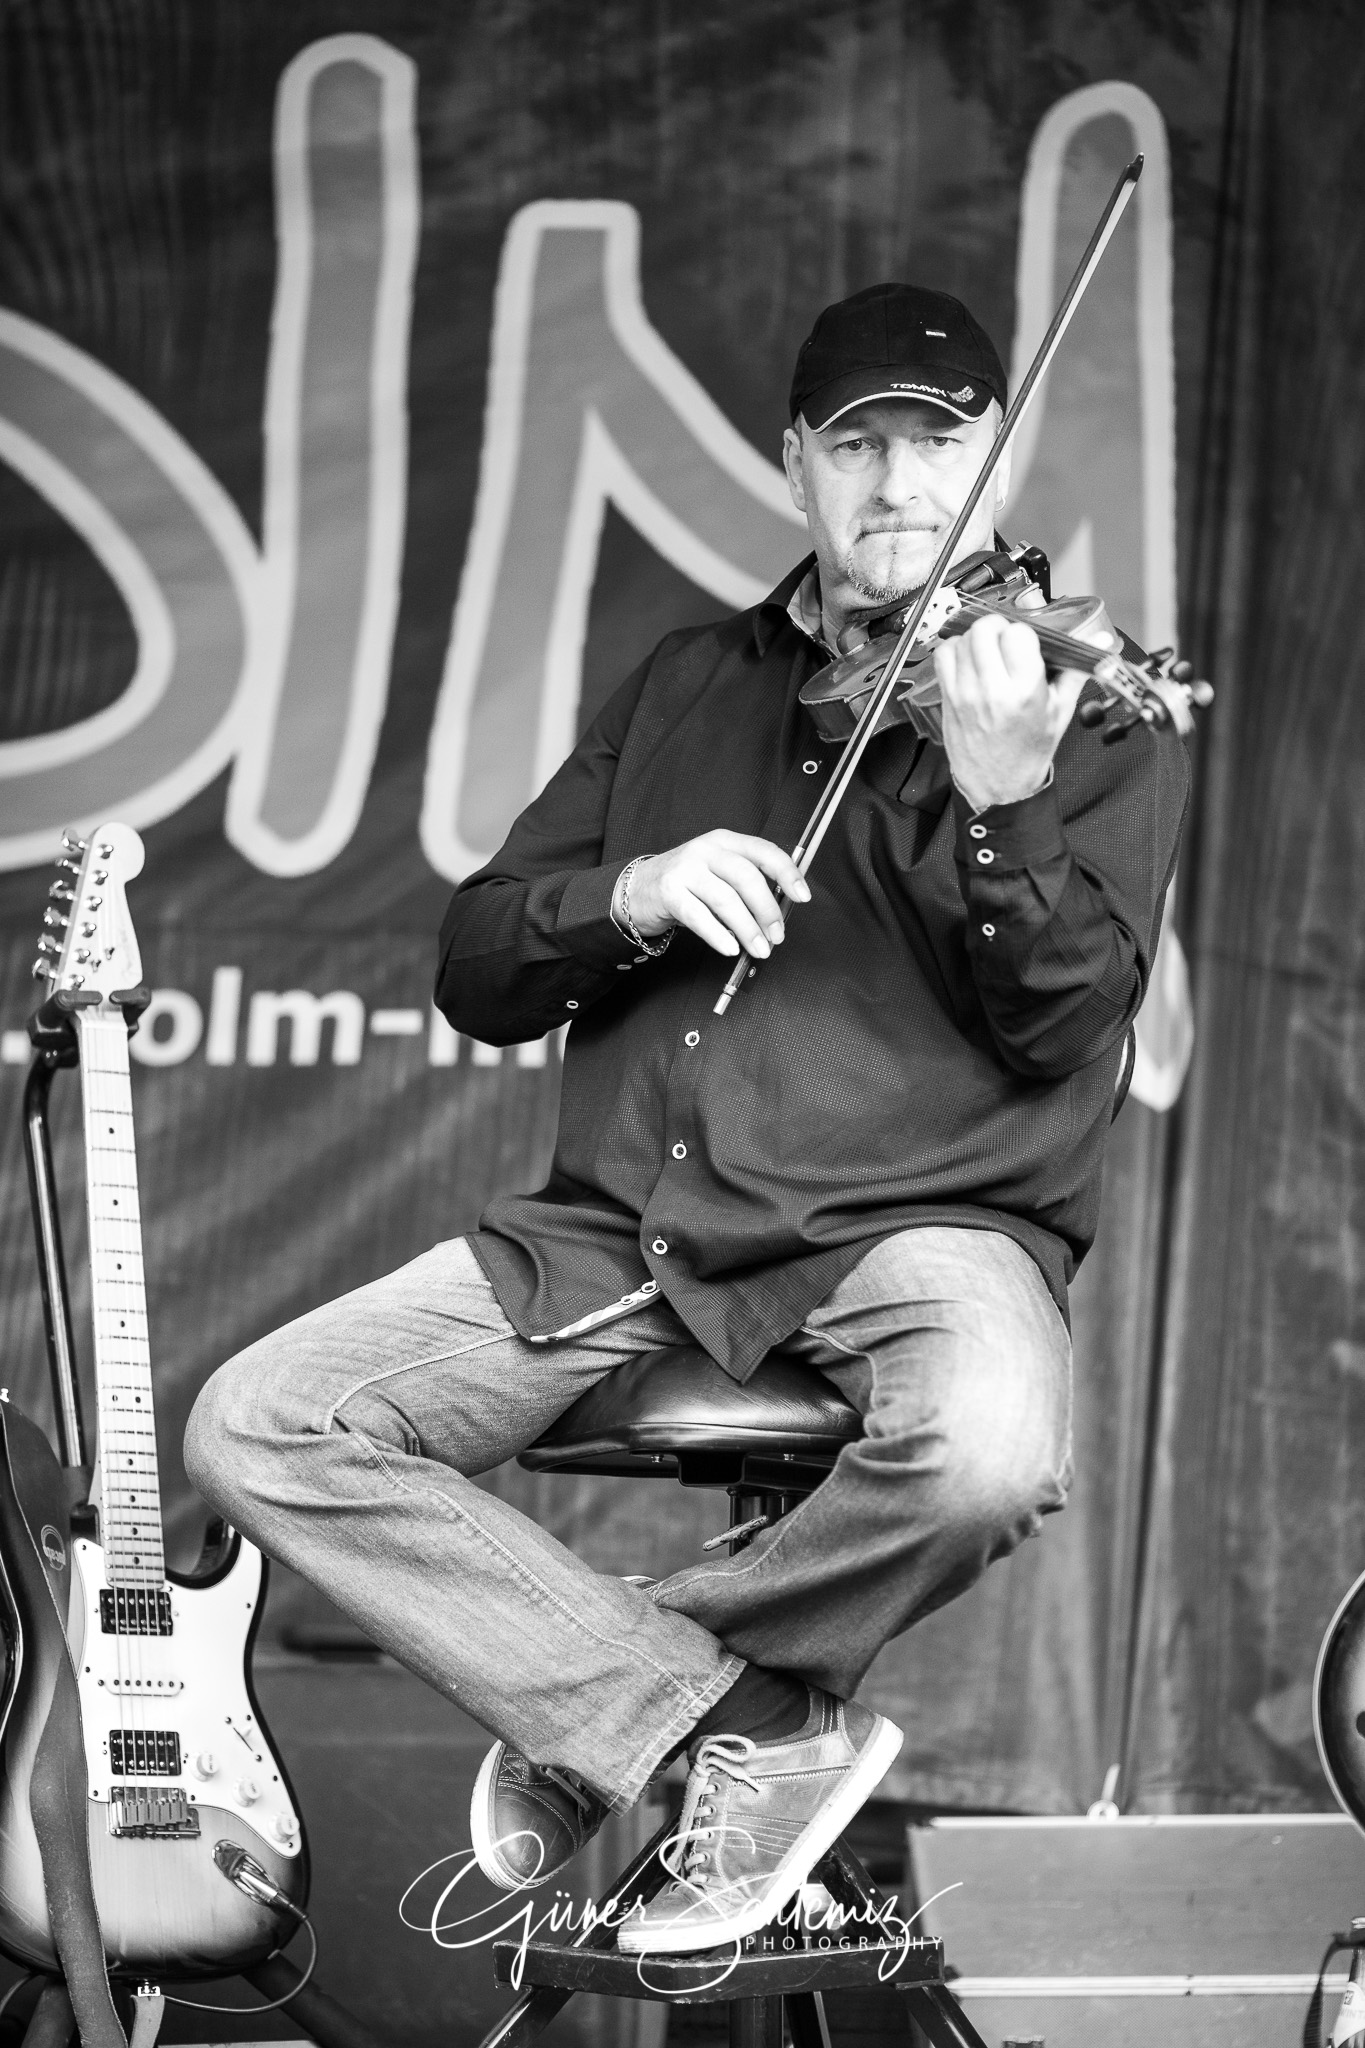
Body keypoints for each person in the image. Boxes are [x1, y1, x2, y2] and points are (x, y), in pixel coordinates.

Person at [185, 282, 1189, 1955]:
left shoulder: (1082, 708)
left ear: (993, 464)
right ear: (793, 461)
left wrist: (1003, 810)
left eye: (932, 448)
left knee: (993, 1449)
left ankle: (625, 1696)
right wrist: (631, 893)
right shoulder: (686, 685)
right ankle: (746, 1729)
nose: (893, 488)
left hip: (917, 1220)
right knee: (254, 1423)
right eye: (853, 445)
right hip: (632, 1222)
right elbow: (480, 962)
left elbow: (1063, 1022)